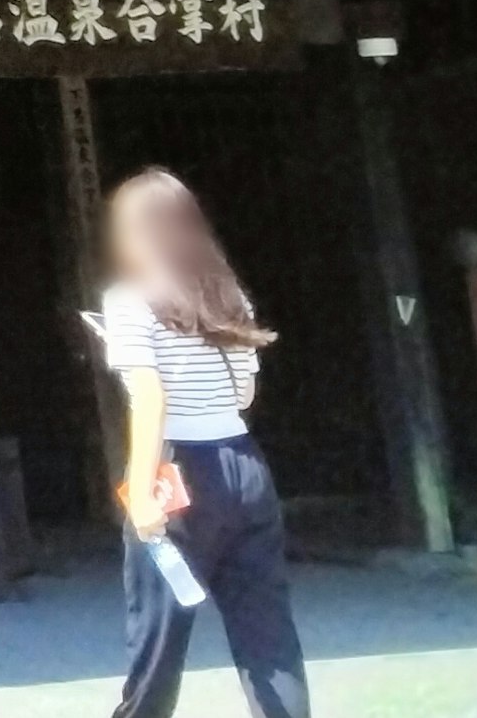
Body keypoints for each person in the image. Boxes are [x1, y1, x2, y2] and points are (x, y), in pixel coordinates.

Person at [101, 168, 305, 718]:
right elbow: (243, 393)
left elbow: (150, 399)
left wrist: (142, 493)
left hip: (176, 470)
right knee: (267, 636)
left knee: (159, 640)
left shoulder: (128, 301)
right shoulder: (228, 295)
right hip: (243, 462)